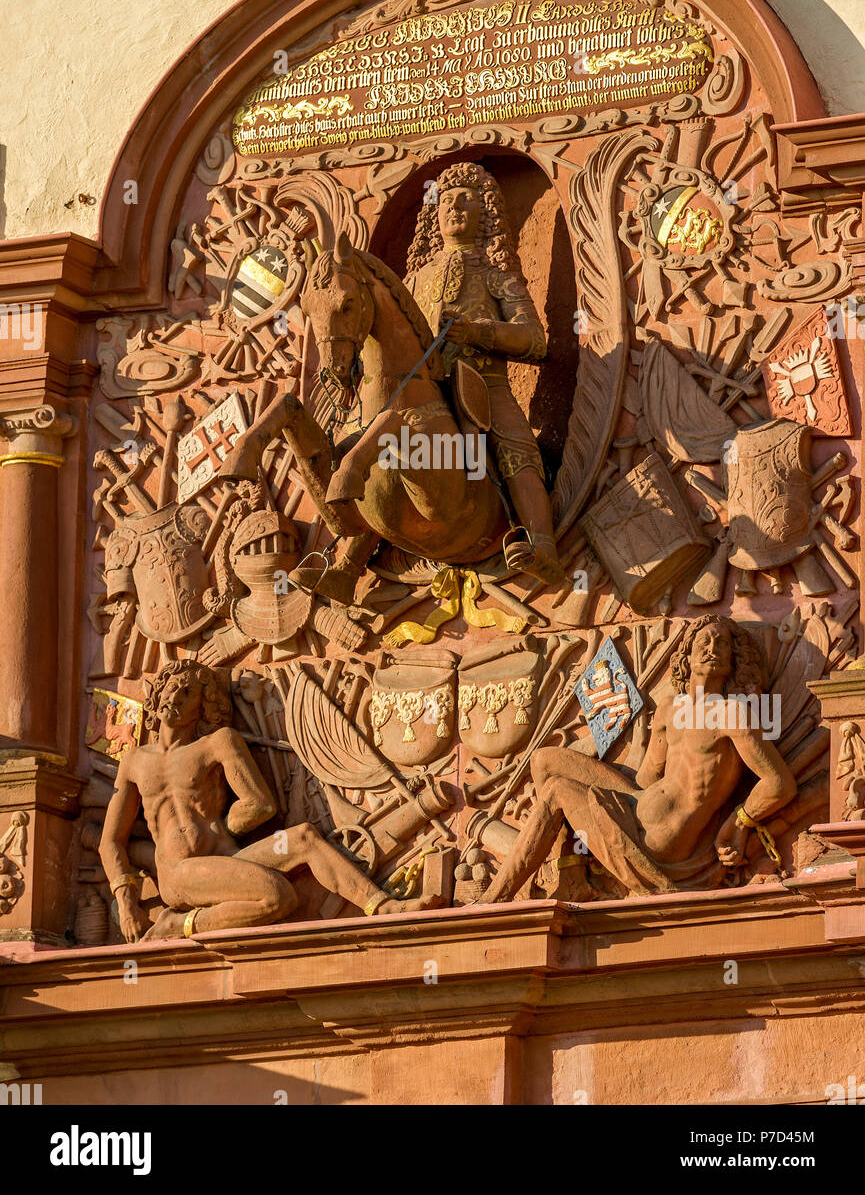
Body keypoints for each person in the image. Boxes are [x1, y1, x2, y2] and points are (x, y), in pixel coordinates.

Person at [479, 617, 797, 900]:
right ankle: (573, 872)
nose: (712, 647)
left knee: (557, 791)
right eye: (704, 641)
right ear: (688, 654)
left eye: (721, 643)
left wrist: (739, 823)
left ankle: (493, 901)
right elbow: (645, 780)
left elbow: (779, 783)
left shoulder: (731, 713)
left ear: (734, 658)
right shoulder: (670, 710)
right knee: (544, 761)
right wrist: (629, 742)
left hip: (660, 843)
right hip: (640, 806)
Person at [99, 659, 415, 940]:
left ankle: (384, 906)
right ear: (158, 694)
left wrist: (218, 830)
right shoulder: (135, 761)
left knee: (305, 837)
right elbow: (111, 840)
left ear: (204, 706)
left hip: (227, 859)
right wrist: (126, 903)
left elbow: (260, 804)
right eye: (170, 689)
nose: (174, 698)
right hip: (180, 874)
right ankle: (178, 924)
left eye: (187, 693)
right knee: (277, 896)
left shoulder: (218, 743)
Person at [404, 162, 565, 586]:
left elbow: (534, 341)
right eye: (446, 200)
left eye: (466, 200)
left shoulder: (495, 273)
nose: (454, 207)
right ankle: (347, 556)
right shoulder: (415, 280)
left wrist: (477, 332)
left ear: (486, 213)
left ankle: (541, 546)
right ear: (433, 214)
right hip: (424, 388)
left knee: (518, 448)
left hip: (483, 385)